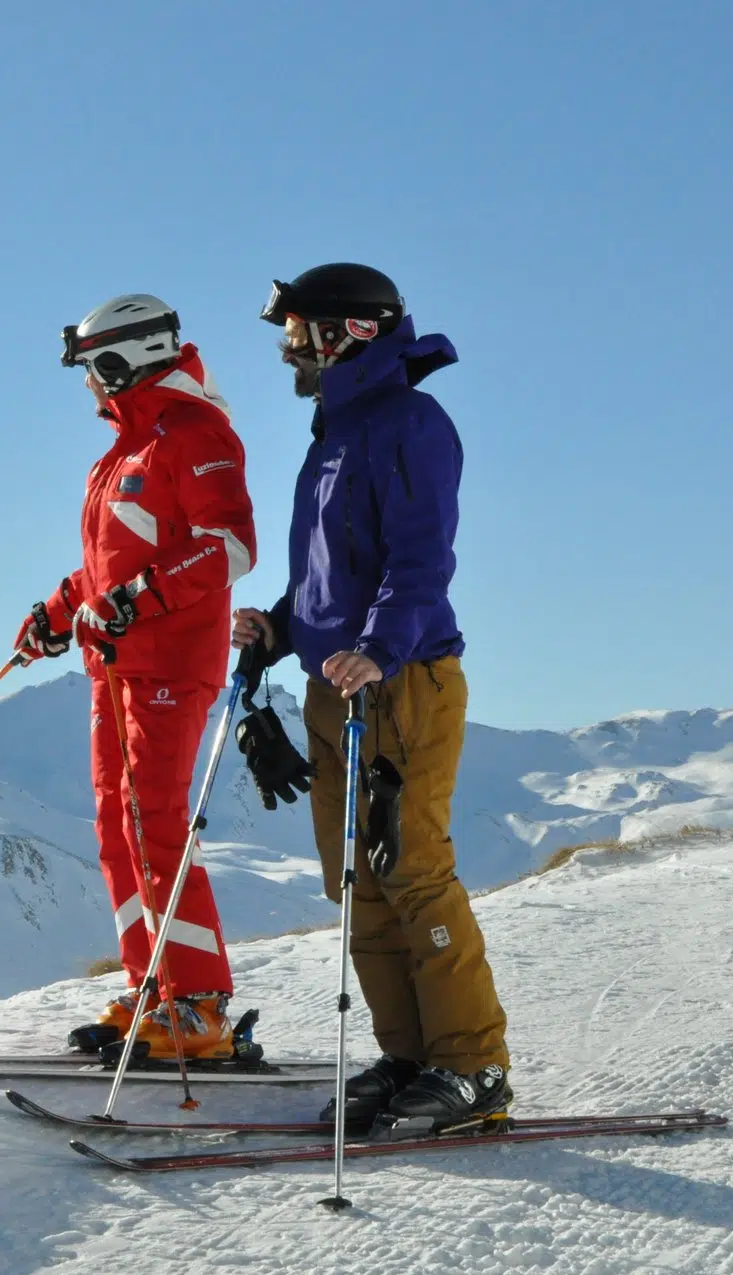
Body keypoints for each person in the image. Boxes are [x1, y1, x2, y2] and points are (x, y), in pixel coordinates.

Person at [233, 262, 511, 1135]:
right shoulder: (334, 435)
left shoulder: (411, 424)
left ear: (344, 332)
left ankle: (473, 1066)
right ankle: (408, 1055)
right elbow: (326, 575)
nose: (287, 354)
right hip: (335, 684)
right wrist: (280, 629)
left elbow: (421, 558)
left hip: (404, 679)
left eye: (296, 336)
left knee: (414, 870)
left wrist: (380, 645)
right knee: (356, 881)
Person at [16, 293, 257, 1059]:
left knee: (155, 823)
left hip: (170, 661)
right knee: (119, 829)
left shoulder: (195, 434)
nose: (87, 384)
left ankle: (201, 1005)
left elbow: (230, 546)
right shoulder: (123, 451)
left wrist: (137, 600)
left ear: (123, 359)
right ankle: (153, 982)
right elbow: (108, 566)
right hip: (114, 664)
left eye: (92, 367)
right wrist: (60, 610)